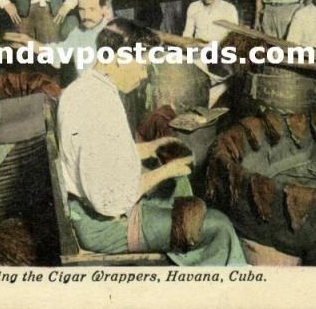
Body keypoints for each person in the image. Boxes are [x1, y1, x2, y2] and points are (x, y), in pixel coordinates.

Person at [57, 18, 247, 265]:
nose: (145, 74)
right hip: (103, 226)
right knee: (218, 226)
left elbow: (104, 152)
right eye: (142, 65)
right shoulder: (99, 104)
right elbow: (109, 202)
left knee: (179, 186)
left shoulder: (84, 88)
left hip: (91, 208)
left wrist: (151, 148)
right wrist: (166, 171)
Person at [4, 0, 109, 76]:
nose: (86, 16)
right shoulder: (79, 31)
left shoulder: (111, 33)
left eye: (92, 9)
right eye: (82, 10)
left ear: (104, 9)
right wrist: (27, 42)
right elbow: (59, 54)